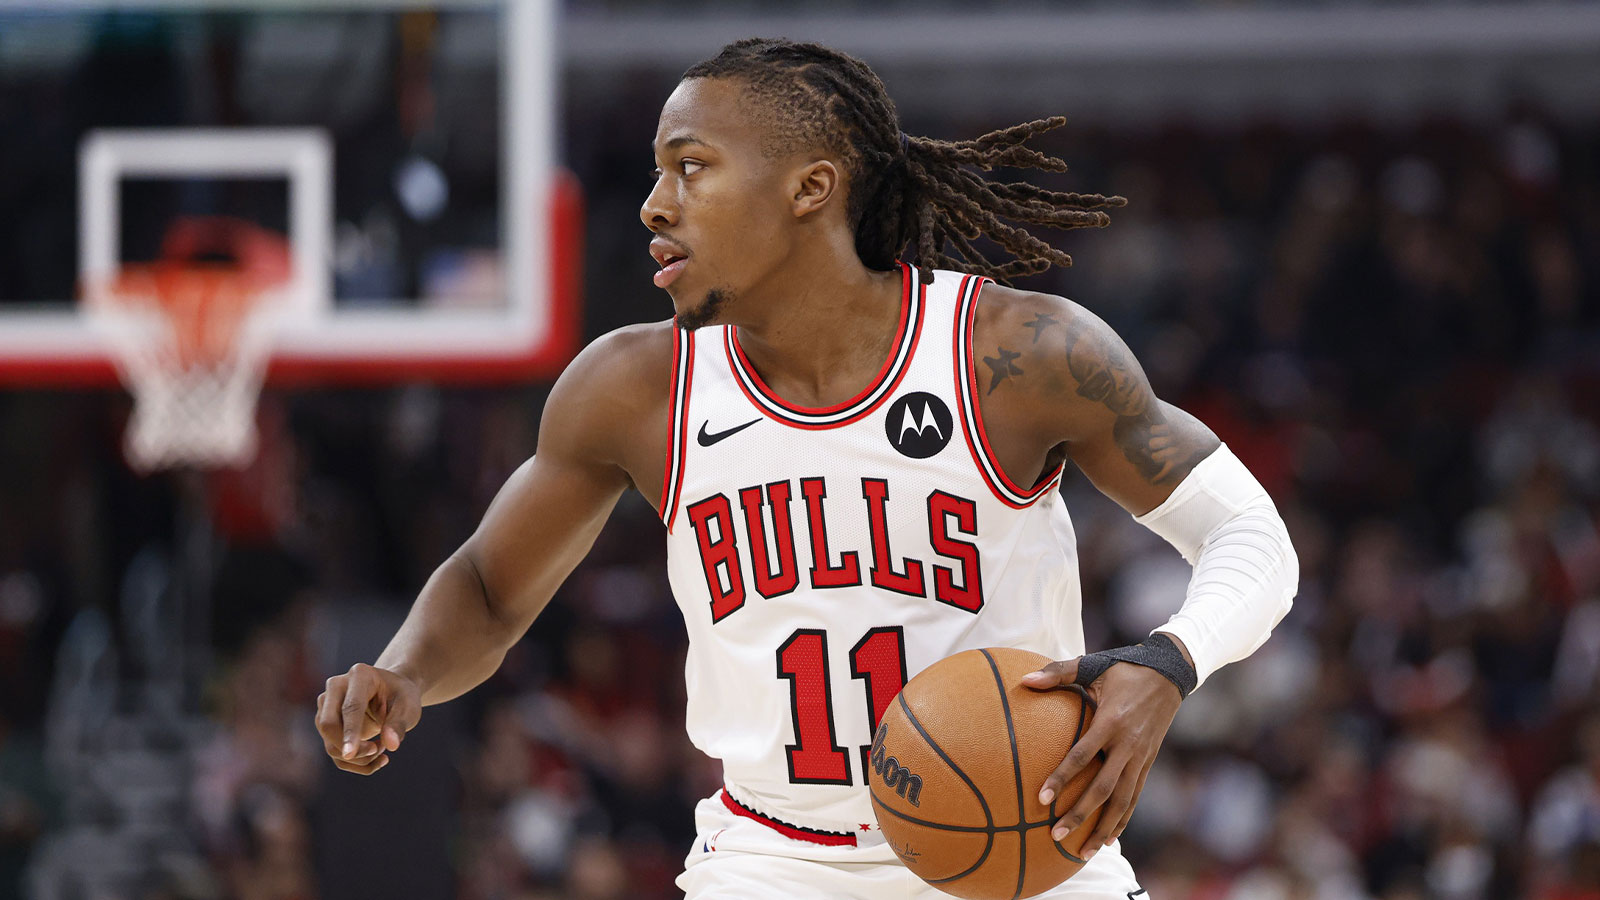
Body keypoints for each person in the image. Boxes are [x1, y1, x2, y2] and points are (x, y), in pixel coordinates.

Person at [314, 38, 1299, 899]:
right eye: (658, 173)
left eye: (690, 167)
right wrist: (406, 671)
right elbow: (489, 589)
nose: (655, 204)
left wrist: (1167, 664)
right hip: (775, 861)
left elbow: (1251, 539)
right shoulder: (632, 388)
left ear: (809, 187)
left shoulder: (1014, 355)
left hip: (1032, 850)